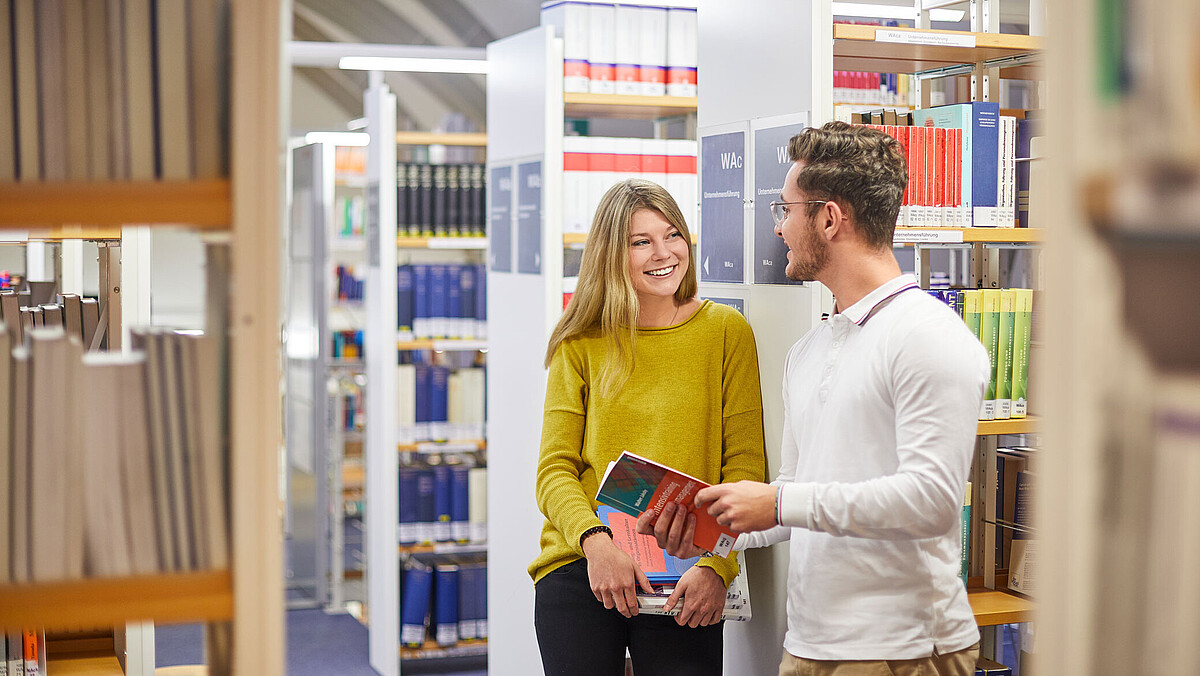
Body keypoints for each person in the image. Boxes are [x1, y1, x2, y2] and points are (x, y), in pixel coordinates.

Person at [644, 122, 988, 675]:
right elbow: (793, 494)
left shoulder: (929, 337)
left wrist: (776, 504)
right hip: (808, 646)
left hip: (903, 650)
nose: (778, 228)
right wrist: (716, 529)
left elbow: (932, 501)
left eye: (786, 210)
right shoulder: (808, 351)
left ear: (829, 219)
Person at [530, 178, 766, 676]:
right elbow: (554, 471)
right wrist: (597, 545)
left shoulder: (726, 333)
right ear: (611, 254)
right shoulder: (581, 343)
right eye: (641, 241)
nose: (664, 252)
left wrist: (717, 566)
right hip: (585, 561)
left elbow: (745, 468)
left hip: (687, 572)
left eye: (672, 234)